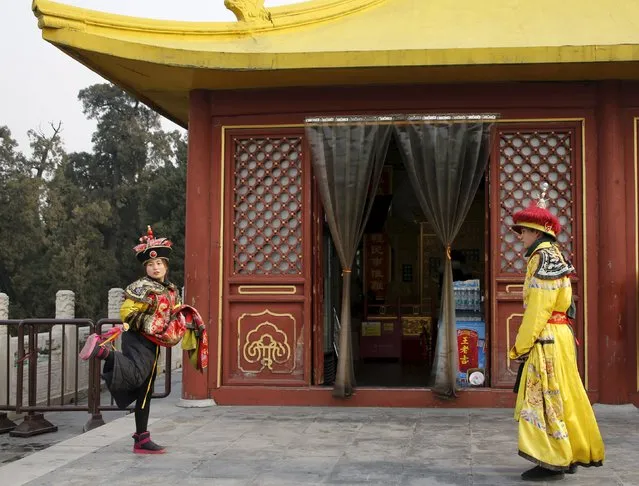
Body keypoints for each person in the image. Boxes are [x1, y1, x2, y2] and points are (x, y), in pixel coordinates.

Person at [80, 226, 208, 454]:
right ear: (145, 268)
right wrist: (149, 323)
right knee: (138, 376)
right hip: (138, 338)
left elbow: (171, 313)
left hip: (154, 343)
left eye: (159, 263)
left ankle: (142, 438)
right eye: (150, 264)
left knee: (145, 389)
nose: (155, 267)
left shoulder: (168, 289)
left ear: (166, 266)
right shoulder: (141, 287)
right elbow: (126, 311)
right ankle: (103, 352)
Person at [509, 185, 604, 481]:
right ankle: (569, 451)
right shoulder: (556, 255)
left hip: (546, 337)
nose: (519, 236)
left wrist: (520, 346)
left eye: (523, 231)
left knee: (543, 398)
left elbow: (538, 309)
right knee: (564, 395)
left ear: (537, 233)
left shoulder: (541, 259)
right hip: (560, 335)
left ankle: (550, 457)